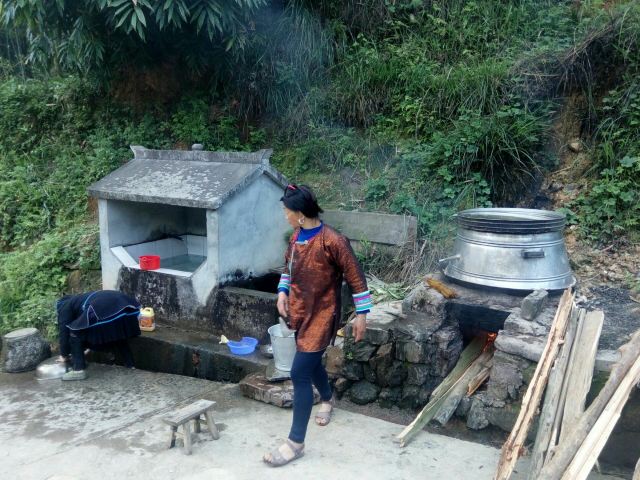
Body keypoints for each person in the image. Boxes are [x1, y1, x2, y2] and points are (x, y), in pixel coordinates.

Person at [263, 184, 372, 467]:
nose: (285, 215)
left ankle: (295, 443)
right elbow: (287, 268)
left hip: (323, 315)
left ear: (300, 213)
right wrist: (282, 292)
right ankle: (327, 398)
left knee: (299, 371)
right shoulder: (296, 237)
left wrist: (362, 314)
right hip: (300, 312)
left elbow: (356, 277)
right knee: (310, 364)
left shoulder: (333, 241)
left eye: (286, 211)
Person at [55, 290, 142, 381]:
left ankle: (78, 370)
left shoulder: (64, 306)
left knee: (75, 332)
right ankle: (130, 365)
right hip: (125, 304)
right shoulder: (80, 299)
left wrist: (64, 355)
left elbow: (64, 331)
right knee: (119, 335)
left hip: (101, 306)